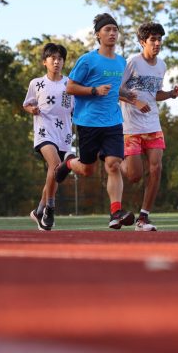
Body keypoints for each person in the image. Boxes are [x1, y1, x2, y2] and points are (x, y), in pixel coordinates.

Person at [54, 13, 136, 229]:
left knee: (113, 164)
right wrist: (93, 90)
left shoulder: (121, 62)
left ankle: (115, 212)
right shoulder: (87, 60)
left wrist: (127, 95)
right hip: (88, 122)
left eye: (115, 30)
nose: (112, 33)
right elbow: (70, 87)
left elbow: (116, 89)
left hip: (112, 122)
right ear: (98, 34)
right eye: (107, 29)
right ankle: (70, 163)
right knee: (88, 169)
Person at [119, 22, 178, 231]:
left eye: (159, 39)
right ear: (142, 42)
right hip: (130, 126)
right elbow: (115, 91)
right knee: (134, 176)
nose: (157, 43)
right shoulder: (132, 63)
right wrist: (135, 101)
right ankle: (112, 160)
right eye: (152, 40)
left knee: (156, 168)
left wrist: (172, 94)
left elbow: (155, 94)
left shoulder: (161, 66)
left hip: (152, 123)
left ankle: (143, 218)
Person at [23, 42, 74, 231]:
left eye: (60, 58)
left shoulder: (70, 84)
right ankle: (50, 208)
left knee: (55, 174)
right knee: (55, 166)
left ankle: (38, 210)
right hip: (44, 132)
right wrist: (32, 109)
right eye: (53, 58)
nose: (57, 62)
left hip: (65, 134)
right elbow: (26, 104)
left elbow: (76, 108)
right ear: (45, 61)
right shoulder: (37, 83)